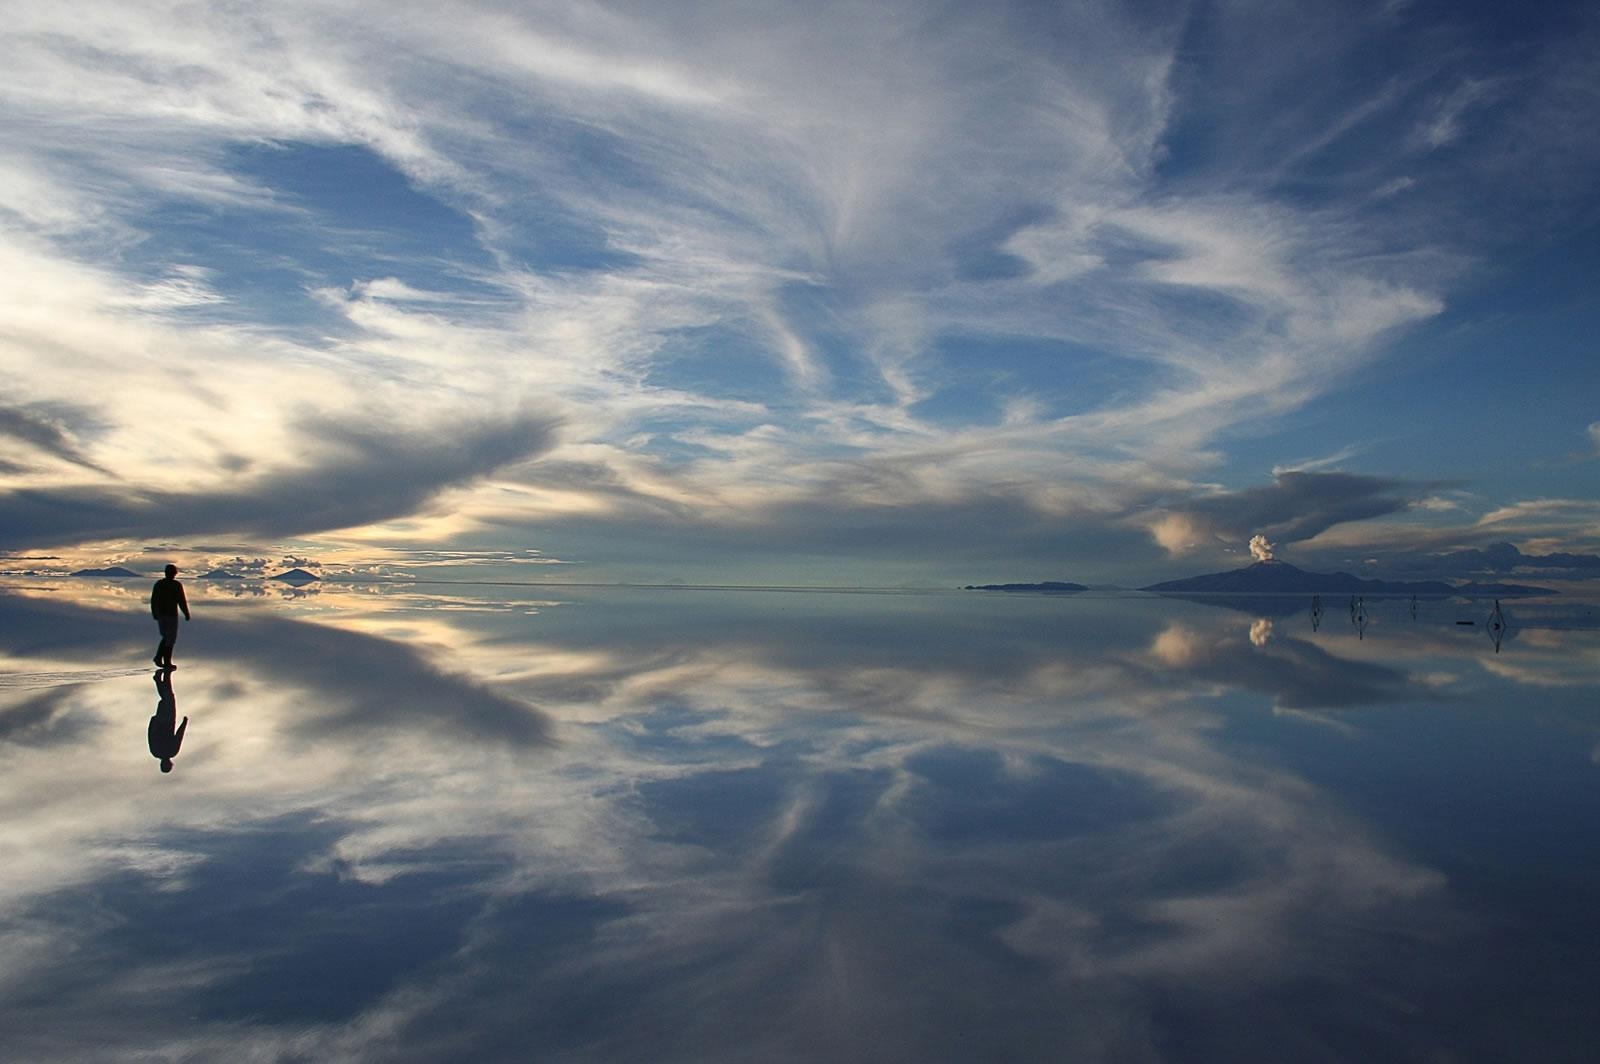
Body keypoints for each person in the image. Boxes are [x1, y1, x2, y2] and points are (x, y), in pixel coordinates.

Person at [150, 563, 191, 669]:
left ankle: (159, 658)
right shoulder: (175, 585)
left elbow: (154, 600)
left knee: (167, 637)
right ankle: (165, 661)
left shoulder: (160, 584)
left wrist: (155, 613)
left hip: (162, 615)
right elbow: (181, 601)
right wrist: (186, 613)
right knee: (170, 638)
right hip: (169, 615)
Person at [149, 669, 187, 773]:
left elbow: (179, 736)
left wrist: (184, 723)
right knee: (166, 698)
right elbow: (150, 735)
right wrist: (152, 722)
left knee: (168, 697)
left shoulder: (172, 751)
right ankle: (165, 675)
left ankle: (161, 678)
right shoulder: (155, 752)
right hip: (160, 721)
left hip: (168, 721)